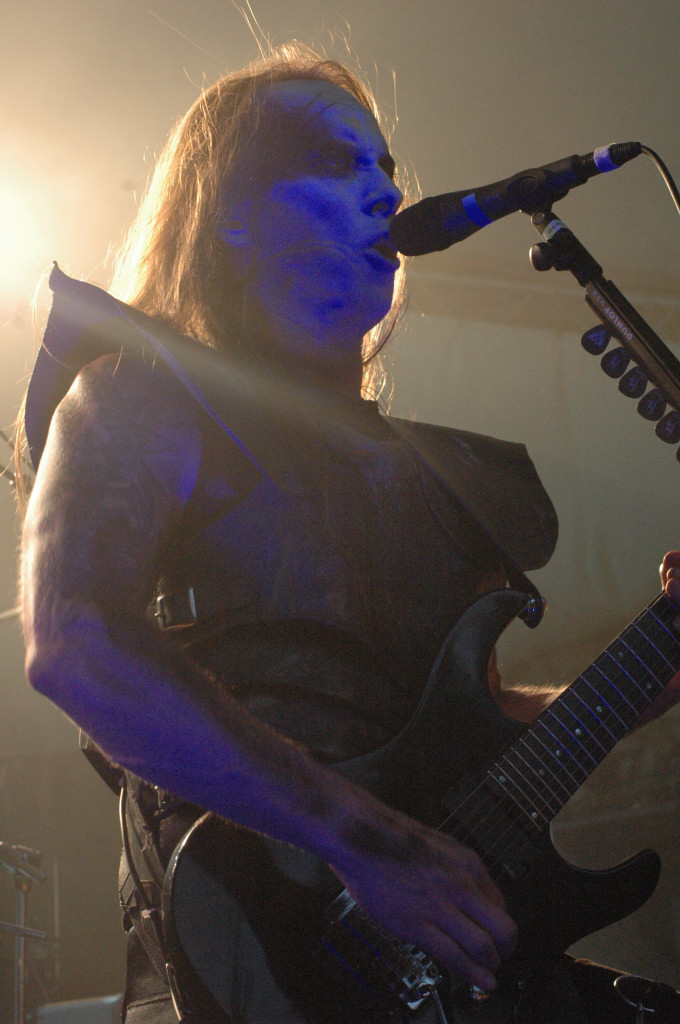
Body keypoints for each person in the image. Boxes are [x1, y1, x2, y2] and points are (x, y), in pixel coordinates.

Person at [17, 41, 680, 1024]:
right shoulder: (137, 396)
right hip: (256, 962)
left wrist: (652, 673)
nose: (385, 193)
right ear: (232, 213)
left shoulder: (433, 474)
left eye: (386, 169)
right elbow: (75, 641)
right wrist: (367, 842)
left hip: (457, 969)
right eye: (337, 162)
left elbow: (470, 734)